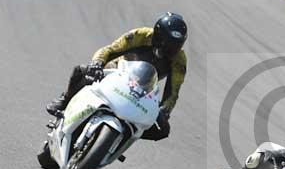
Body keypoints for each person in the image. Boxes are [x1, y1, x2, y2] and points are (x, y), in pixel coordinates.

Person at [46, 13, 188, 141]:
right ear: (157, 35)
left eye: (175, 46)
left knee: (162, 130)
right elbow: (110, 49)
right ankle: (66, 101)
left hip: (143, 90)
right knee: (81, 71)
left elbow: (173, 92)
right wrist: (97, 63)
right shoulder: (140, 35)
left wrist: (165, 111)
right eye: (167, 44)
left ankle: (125, 135)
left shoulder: (179, 60)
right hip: (118, 71)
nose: (169, 50)